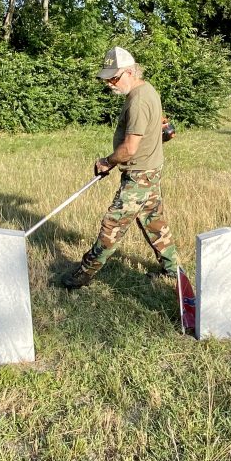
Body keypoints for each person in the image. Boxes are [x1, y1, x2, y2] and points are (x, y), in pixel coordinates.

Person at [63, 46, 181, 289]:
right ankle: (173, 271)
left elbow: (129, 149)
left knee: (113, 225)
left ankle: (83, 274)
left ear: (130, 72)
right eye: (107, 78)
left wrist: (106, 162)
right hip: (150, 170)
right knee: (153, 221)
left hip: (139, 175)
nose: (110, 83)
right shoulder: (148, 90)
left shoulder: (138, 101)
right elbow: (162, 128)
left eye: (114, 78)